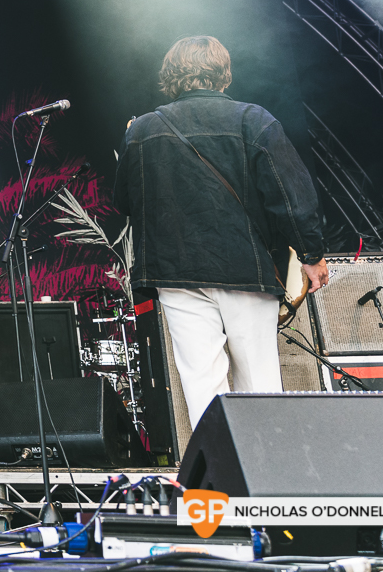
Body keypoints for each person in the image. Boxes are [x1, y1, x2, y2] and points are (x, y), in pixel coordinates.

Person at [112, 36, 328, 429]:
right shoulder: (253, 120)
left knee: (201, 386)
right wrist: (311, 255)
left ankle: (212, 486)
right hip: (244, 268)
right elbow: (291, 195)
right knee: (259, 383)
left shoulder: (141, 130)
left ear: (171, 76)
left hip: (175, 272)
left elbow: (124, 203)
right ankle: (264, 482)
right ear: (223, 75)